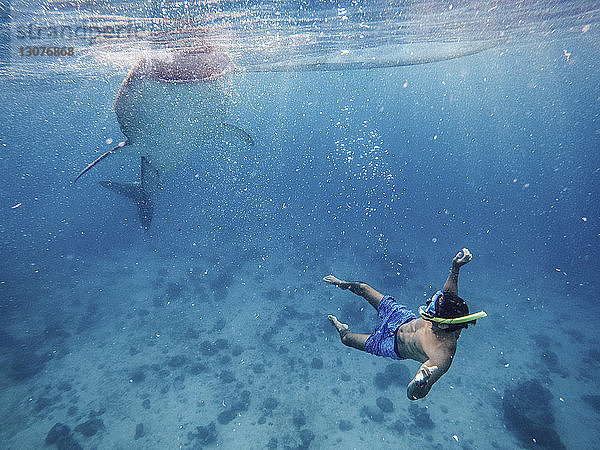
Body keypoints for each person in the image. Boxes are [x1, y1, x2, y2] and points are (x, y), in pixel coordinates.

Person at [324, 248, 486, 400]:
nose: (429, 306)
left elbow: (412, 395)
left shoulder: (442, 356)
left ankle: (342, 328)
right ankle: (341, 283)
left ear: (443, 324)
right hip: (401, 318)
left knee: (346, 340)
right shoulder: (449, 308)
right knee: (363, 288)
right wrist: (455, 267)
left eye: (431, 311)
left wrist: (420, 383)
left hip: (390, 345)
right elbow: (449, 293)